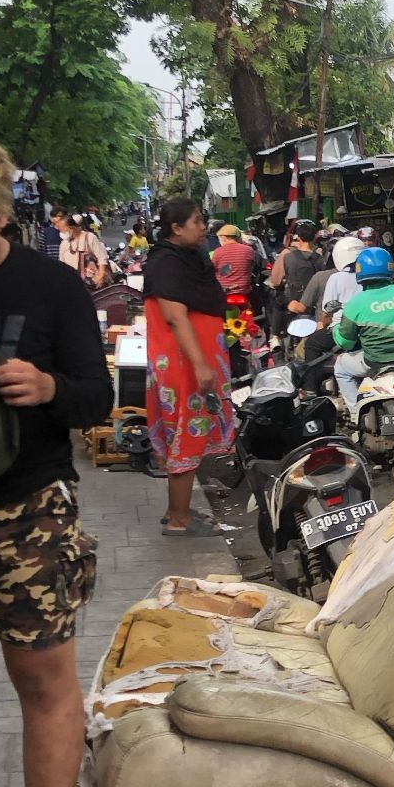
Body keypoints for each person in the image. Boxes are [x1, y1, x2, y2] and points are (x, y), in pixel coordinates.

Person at [0, 137, 112, 787]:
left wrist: (50, 383)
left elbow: (97, 396)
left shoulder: (53, 287)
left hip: (25, 505)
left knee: (42, 682)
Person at [144, 197, 235, 535]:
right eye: (196, 221)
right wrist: (200, 364)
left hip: (191, 362)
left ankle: (177, 511)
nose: (203, 227)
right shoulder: (168, 262)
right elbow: (174, 317)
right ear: (176, 228)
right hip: (184, 366)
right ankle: (179, 519)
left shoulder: (186, 258)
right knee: (186, 435)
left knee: (188, 435)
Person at [332, 247, 394, 418]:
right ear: (390, 269)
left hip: (375, 361)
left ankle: (355, 413)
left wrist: (335, 331)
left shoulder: (355, 304)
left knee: (341, 367)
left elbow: (346, 343)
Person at [58, 210, 108, 284]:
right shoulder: (64, 243)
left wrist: (100, 277)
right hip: (71, 283)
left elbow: (102, 258)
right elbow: (61, 265)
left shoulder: (90, 237)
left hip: (90, 283)